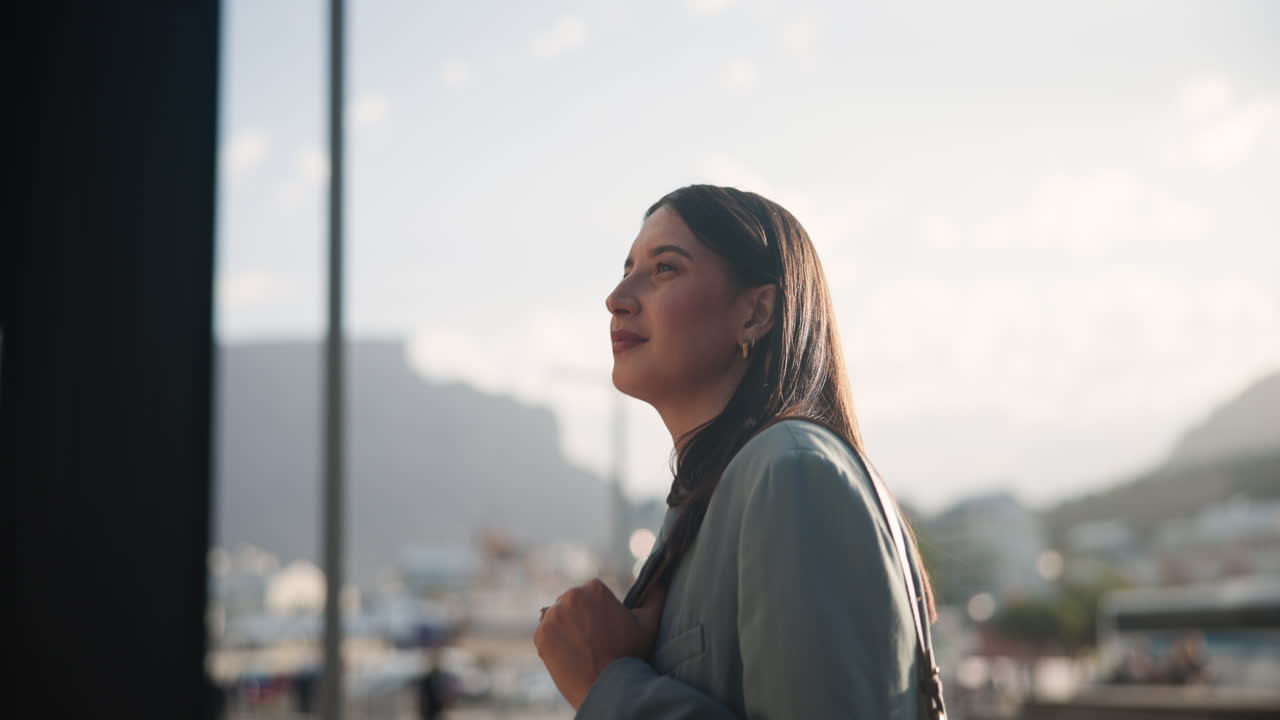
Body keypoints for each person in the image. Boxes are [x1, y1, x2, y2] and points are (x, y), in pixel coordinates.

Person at [533, 184, 943, 717]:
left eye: (664, 269)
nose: (617, 297)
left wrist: (608, 684)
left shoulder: (792, 470)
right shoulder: (713, 499)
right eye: (627, 267)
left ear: (755, 312)